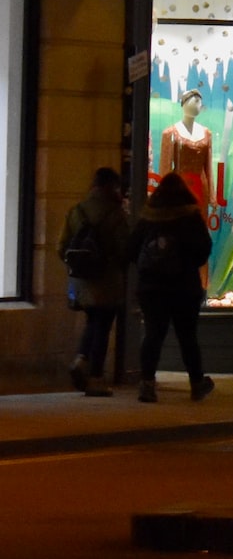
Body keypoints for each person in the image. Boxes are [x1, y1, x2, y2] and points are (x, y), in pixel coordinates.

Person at [129, 173, 214, 404]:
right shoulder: (190, 217)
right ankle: (197, 384)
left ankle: (147, 384)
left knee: (153, 335)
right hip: (184, 288)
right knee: (188, 337)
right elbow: (204, 250)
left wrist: (151, 268)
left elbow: (131, 249)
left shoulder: (148, 218)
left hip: (151, 289)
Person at [59, 168, 132, 397]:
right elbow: (124, 249)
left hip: (82, 280)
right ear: (112, 187)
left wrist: (80, 265)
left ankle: (82, 359)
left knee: (92, 321)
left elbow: (61, 248)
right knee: (102, 326)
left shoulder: (76, 211)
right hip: (107, 279)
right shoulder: (116, 214)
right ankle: (95, 378)